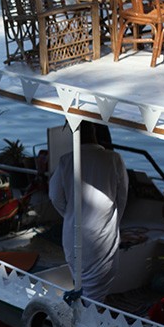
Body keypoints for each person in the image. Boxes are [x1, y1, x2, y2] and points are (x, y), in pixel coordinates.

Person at [48, 121, 128, 301]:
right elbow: (122, 198)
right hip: (102, 235)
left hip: (72, 234)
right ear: (94, 130)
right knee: (95, 293)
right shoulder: (114, 159)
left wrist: (70, 215)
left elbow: (54, 197)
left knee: (81, 284)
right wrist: (114, 221)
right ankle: (91, 321)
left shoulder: (66, 160)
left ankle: (82, 320)